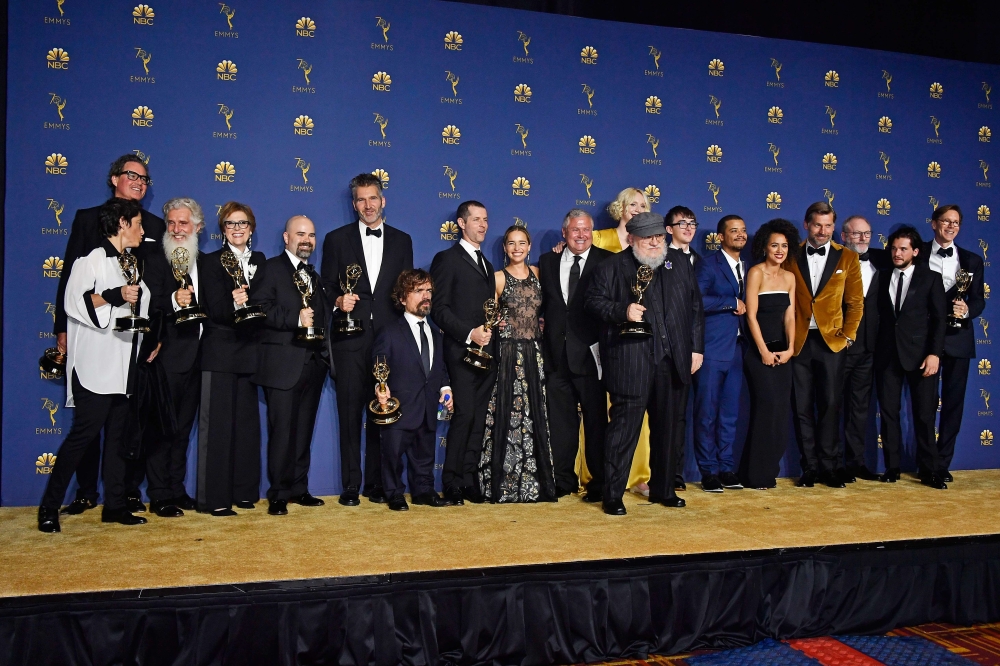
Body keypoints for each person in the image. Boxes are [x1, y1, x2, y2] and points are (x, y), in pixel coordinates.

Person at [55, 155, 164, 516]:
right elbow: (74, 290)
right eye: (133, 175)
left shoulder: (149, 232)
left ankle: (118, 500)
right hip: (93, 350)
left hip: (125, 354)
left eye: (145, 179)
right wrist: (61, 329)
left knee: (122, 432)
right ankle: (74, 496)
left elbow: (153, 291)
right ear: (114, 178)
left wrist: (152, 332)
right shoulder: (89, 232)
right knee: (85, 432)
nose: (140, 182)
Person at [38, 198, 153, 532]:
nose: (143, 230)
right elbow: (76, 302)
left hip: (122, 365)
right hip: (93, 366)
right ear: (122, 224)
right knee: (82, 438)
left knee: (118, 440)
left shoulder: (130, 263)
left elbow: (138, 307)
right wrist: (114, 295)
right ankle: (48, 507)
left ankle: (114, 506)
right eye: (138, 224)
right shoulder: (89, 261)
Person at [586, 212, 704, 516]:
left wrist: (696, 350)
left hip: (673, 360)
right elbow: (593, 302)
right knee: (623, 431)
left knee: (668, 430)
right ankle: (613, 494)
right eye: (648, 237)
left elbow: (694, 309)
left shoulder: (678, 263)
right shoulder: (610, 267)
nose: (655, 242)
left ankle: (663, 491)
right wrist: (621, 310)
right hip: (631, 362)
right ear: (631, 238)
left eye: (659, 236)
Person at [321, 173, 413, 506]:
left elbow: (405, 292)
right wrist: (337, 301)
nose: (367, 205)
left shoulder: (403, 241)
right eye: (361, 199)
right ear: (354, 204)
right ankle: (350, 487)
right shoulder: (336, 239)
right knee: (349, 414)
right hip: (349, 341)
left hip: (387, 344)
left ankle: (378, 485)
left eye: (372, 198)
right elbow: (327, 285)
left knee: (382, 410)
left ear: (382, 200)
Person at [249, 216, 332, 515]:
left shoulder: (314, 275)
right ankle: (279, 492)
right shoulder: (270, 269)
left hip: (312, 364)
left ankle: (299, 487)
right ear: (286, 237)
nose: (306, 240)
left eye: (311, 235)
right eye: (300, 234)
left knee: (303, 431)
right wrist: (295, 318)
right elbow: (258, 308)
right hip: (282, 365)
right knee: (282, 431)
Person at [477, 223, 557, 502]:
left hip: (535, 351)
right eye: (511, 243)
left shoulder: (538, 273)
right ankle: (504, 485)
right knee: (508, 414)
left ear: (529, 246)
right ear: (504, 247)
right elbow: (489, 314)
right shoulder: (498, 278)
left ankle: (535, 484)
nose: (517, 248)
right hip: (509, 354)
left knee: (535, 414)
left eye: (522, 243)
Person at [196, 202, 266, 515]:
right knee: (218, 428)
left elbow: (266, 303)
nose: (237, 229)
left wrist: (252, 303)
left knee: (247, 427)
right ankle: (215, 499)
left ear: (251, 229)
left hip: (250, 351)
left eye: (242, 224)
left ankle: (244, 491)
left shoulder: (261, 261)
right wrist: (235, 303)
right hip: (220, 350)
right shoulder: (210, 262)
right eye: (230, 224)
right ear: (222, 230)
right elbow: (212, 307)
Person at [538, 210, 612, 501]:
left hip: (592, 357)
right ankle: (562, 481)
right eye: (575, 230)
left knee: (596, 424)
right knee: (560, 424)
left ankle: (599, 483)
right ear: (564, 232)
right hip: (556, 357)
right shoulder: (547, 261)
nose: (581, 236)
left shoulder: (607, 261)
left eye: (586, 230)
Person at [789, 201, 864, 488]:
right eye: (818, 225)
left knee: (831, 405)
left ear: (835, 227)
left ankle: (830, 467)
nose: (823, 231)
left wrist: (847, 335)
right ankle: (809, 467)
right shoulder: (791, 254)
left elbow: (856, 303)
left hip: (832, 343)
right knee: (802, 407)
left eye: (828, 225)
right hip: (799, 342)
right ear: (807, 224)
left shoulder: (847, 257)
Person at [141, 198, 207, 518]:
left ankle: (177, 489)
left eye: (183, 223)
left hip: (199, 359)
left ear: (197, 227)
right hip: (166, 356)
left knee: (183, 429)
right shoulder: (154, 258)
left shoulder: (205, 263)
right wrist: (172, 298)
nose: (177, 229)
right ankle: (159, 494)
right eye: (171, 223)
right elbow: (147, 301)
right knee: (161, 428)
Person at [430, 200, 496, 505]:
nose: (482, 225)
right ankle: (452, 481)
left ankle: (470, 480)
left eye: (485, 220)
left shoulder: (487, 264)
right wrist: (469, 333)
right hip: (459, 353)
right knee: (464, 415)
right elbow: (438, 309)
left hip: (486, 354)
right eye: (476, 220)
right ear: (461, 223)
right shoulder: (446, 259)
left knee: (479, 418)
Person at [372, 269, 455, 511]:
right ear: (402, 298)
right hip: (399, 407)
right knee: (392, 454)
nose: (425, 296)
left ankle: (424, 491)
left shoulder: (436, 333)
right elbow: (379, 366)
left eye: (428, 290)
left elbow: (439, 368)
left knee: (425, 454)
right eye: (418, 291)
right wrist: (380, 388)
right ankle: (394, 493)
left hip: (428, 405)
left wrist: (445, 387)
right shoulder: (389, 332)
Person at [592, 187, 654, 496]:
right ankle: (601, 477)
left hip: (642, 346)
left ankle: (638, 475)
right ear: (620, 208)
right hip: (605, 341)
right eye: (633, 204)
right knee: (607, 413)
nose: (638, 209)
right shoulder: (599, 239)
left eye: (644, 205)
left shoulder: (652, 247)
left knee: (637, 414)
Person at [875, 226, 947, 488]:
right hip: (887, 356)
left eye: (903, 248)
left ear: (915, 252)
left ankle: (929, 471)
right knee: (889, 414)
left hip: (921, 357)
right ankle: (892, 467)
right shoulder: (882, 277)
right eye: (894, 248)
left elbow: (939, 321)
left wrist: (934, 354)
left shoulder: (930, 278)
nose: (897, 253)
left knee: (925, 416)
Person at [919, 205, 985, 483]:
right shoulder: (917, 253)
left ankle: (942, 463)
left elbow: (979, 299)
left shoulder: (972, 260)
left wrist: (967, 310)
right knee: (924, 405)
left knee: (953, 405)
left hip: (959, 340)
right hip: (924, 340)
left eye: (955, 222)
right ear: (933, 224)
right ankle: (927, 464)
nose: (950, 226)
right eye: (945, 221)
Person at [738, 219, 798, 490]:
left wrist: (791, 348)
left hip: (783, 354)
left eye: (784, 246)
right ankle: (754, 475)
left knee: (780, 413)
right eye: (774, 245)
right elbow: (750, 315)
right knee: (766, 410)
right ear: (764, 246)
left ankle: (769, 472)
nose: (779, 250)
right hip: (759, 353)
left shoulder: (789, 277)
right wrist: (763, 350)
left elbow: (790, 316)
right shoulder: (756, 273)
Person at [693, 214, 748, 492]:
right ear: (721, 237)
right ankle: (708, 471)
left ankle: (726, 467)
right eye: (733, 231)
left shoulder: (748, 266)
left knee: (729, 414)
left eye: (743, 230)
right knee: (707, 413)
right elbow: (697, 300)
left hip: (738, 350)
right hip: (713, 349)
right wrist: (731, 302)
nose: (740, 235)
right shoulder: (708, 265)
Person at [838, 216, 881, 481]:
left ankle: (855, 463)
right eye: (856, 234)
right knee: (832, 407)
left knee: (859, 409)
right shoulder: (833, 261)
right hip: (838, 346)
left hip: (868, 349)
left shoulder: (882, 261)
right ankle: (829, 465)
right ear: (843, 236)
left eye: (867, 234)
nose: (863, 239)